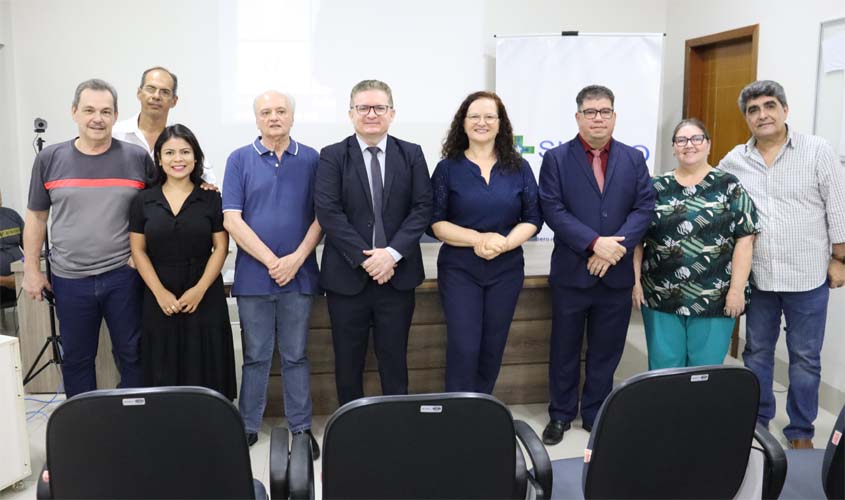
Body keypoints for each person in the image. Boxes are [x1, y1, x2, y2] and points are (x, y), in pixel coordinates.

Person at [719, 80, 845, 450]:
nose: (763, 115)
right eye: (754, 110)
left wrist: (840, 259)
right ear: (747, 118)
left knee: (804, 358)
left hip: (808, 277)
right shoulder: (734, 160)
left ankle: (801, 430)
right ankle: (757, 422)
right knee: (757, 352)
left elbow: (838, 207)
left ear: (785, 110)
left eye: (770, 106)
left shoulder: (816, 150)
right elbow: (712, 197)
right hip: (759, 278)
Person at [538, 85, 655, 445]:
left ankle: (595, 412)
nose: (598, 118)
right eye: (590, 112)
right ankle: (560, 414)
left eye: (605, 111)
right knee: (564, 348)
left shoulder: (633, 159)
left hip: (616, 273)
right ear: (578, 117)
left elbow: (644, 207)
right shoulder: (557, 159)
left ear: (614, 116)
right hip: (573, 271)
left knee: (607, 349)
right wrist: (594, 243)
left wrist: (613, 249)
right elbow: (552, 209)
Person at [22, 79, 153, 397]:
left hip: (123, 276)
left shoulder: (137, 158)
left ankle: (135, 417)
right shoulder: (49, 159)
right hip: (70, 279)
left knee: (133, 353)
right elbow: (37, 217)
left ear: (116, 115)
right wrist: (31, 270)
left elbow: (157, 210)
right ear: (74, 112)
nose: (98, 118)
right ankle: (84, 423)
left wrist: (138, 256)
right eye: (89, 110)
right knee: (77, 359)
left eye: (106, 111)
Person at [315, 79, 433, 405]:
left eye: (379, 107)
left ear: (391, 113)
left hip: (397, 276)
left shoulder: (411, 154)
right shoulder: (332, 156)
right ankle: (351, 426)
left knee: (394, 360)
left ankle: (396, 425)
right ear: (350, 113)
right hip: (347, 277)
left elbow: (422, 208)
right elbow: (328, 212)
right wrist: (368, 258)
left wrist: (391, 254)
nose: (371, 114)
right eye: (363, 108)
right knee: (347, 362)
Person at [223, 90, 321, 456]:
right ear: (257, 119)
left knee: (296, 355)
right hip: (254, 277)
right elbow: (232, 219)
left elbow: (322, 216)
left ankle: (301, 428)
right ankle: (248, 426)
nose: (274, 117)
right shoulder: (239, 159)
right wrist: (272, 261)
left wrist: (295, 259)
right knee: (256, 356)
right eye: (266, 112)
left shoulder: (312, 158)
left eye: (281, 111)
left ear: (292, 117)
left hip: (301, 274)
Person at [430, 91, 541, 393]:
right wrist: (479, 239)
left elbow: (533, 218)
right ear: (463, 123)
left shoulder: (519, 167)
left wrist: (503, 244)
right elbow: (436, 223)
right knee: (464, 346)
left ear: (500, 123)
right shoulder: (447, 168)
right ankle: (457, 410)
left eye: (490, 116)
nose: (482, 122)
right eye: (475, 116)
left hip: (506, 268)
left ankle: (481, 410)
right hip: (460, 269)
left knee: (493, 346)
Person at [632, 118, 758, 369]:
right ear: (673, 147)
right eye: (681, 140)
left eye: (696, 138)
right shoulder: (655, 187)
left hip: (714, 297)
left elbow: (745, 239)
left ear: (708, 145)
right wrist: (634, 284)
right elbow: (636, 240)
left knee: (704, 371)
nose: (689, 145)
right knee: (664, 368)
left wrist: (736, 290)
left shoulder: (729, 185)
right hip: (660, 295)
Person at [129, 124, 236, 400]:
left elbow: (221, 247)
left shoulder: (211, 198)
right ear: (159, 159)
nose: (178, 159)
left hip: (205, 291)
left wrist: (199, 290)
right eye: (170, 152)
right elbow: (138, 250)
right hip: (158, 292)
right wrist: (159, 293)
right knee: (162, 365)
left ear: (196, 157)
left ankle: (209, 420)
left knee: (206, 364)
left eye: (185, 152)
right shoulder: (143, 200)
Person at [113, 66, 216, 184]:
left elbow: (209, 181)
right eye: (151, 89)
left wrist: (206, 186)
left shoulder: (181, 140)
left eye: (165, 92)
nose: (156, 96)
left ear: (174, 101)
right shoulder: (115, 134)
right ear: (139, 93)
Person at [0, 190, 24, 335]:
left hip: (20, 279)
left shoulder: (12, 215)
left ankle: (33, 338)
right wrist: (5, 280)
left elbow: (30, 247)